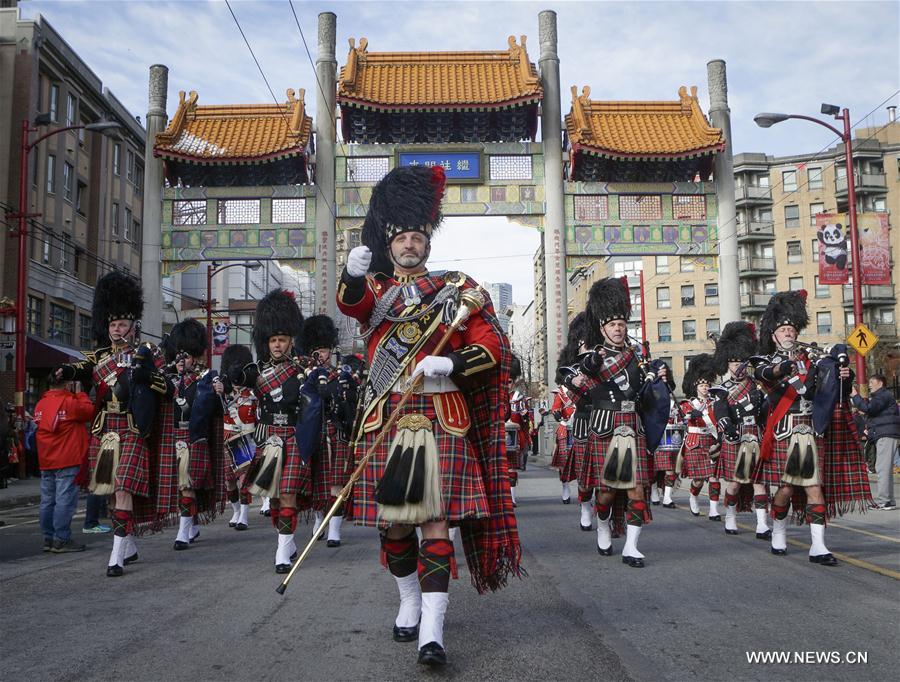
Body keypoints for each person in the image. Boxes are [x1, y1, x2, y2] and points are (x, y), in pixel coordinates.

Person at [337, 165, 521, 667]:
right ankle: (409, 601)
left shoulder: (457, 289)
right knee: (395, 526)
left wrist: (452, 361)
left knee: (436, 522)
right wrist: (352, 274)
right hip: (390, 415)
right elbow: (351, 304)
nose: (411, 245)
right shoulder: (377, 289)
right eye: (402, 238)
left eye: (419, 236)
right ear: (389, 243)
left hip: (442, 414)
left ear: (428, 241)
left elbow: (494, 350)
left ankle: (433, 632)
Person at [57, 271, 175, 577]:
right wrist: (65, 373)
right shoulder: (98, 357)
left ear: (133, 326)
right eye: (112, 325)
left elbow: (169, 389)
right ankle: (129, 546)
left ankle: (116, 557)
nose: (117, 330)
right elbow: (81, 370)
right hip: (105, 428)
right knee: (110, 493)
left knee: (123, 488)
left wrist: (148, 375)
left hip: (133, 428)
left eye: (122, 324)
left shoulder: (149, 353)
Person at [571, 277, 670, 568]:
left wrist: (661, 375)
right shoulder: (593, 356)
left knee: (636, 488)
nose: (618, 329)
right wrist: (591, 362)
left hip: (633, 426)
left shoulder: (638, 358)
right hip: (605, 425)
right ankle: (602, 526)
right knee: (606, 490)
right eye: (612, 325)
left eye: (621, 324)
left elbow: (653, 393)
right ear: (603, 328)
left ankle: (631, 547)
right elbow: (586, 369)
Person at [753, 290, 853, 566]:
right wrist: (785, 366)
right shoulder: (765, 361)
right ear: (774, 335)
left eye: (791, 329)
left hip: (811, 429)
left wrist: (844, 374)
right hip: (785, 429)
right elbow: (765, 376)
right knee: (785, 488)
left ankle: (818, 546)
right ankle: (780, 531)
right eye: (783, 329)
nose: (788, 333)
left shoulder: (813, 359)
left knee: (814, 488)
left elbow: (833, 391)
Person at [243, 289, 312, 574]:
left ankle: (282, 551)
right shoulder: (255, 371)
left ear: (290, 341)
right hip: (267, 437)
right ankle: (287, 541)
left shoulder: (304, 370)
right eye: (272, 340)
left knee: (288, 494)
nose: (277, 345)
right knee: (272, 498)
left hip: (293, 436)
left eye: (282, 340)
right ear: (266, 341)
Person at [161, 319, 225, 550]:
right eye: (177, 355)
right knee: (178, 488)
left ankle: (182, 531)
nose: (181, 360)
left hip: (194, 438)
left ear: (196, 357)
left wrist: (219, 393)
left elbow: (217, 413)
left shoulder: (206, 379)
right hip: (171, 438)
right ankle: (191, 526)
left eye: (186, 356)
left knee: (188, 486)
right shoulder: (166, 380)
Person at [301, 314, 356, 547]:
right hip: (314, 433)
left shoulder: (341, 375)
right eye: (316, 350)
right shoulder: (303, 375)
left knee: (336, 483)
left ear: (331, 351)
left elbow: (351, 406)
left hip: (336, 432)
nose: (320, 355)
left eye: (323, 350)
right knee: (316, 481)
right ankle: (319, 518)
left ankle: (334, 529)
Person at [711, 321, 769, 538]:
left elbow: (767, 411)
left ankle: (762, 524)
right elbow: (720, 411)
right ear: (728, 364)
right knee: (735, 483)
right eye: (733, 363)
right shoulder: (722, 390)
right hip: (735, 437)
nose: (737, 367)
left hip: (756, 434)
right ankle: (730, 516)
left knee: (759, 481)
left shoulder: (758, 386)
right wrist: (727, 427)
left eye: (741, 362)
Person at [34, 377, 95, 552]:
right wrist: (81, 393)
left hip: (46, 458)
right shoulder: (69, 402)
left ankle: (48, 538)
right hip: (67, 457)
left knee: (47, 501)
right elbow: (90, 411)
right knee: (64, 501)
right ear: (68, 384)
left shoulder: (40, 404)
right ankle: (61, 539)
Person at [215, 344, 259, 531]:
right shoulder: (222, 394)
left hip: (246, 439)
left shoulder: (254, 395)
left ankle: (243, 514)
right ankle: (235, 510)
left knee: (243, 480)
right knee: (229, 480)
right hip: (227, 438)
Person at [678, 354, 720, 519]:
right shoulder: (687, 404)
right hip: (695, 443)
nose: (705, 387)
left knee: (714, 477)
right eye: (701, 385)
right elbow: (684, 417)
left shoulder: (715, 403)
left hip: (711, 441)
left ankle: (714, 509)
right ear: (695, 387)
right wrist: (691, 415)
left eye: (707, 385)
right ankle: (693, 496)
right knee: (699, 479)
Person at [852, 373, 899, 510]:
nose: (870, 384)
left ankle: (884, 500)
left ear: (881, 383)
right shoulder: (884, 396)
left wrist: (855, 395)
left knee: (882, 468)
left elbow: (869, 409)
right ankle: (888, 500)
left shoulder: (882, 395)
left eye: (872, 381)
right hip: (886, 433)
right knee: (884, 468)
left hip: (886, 434)